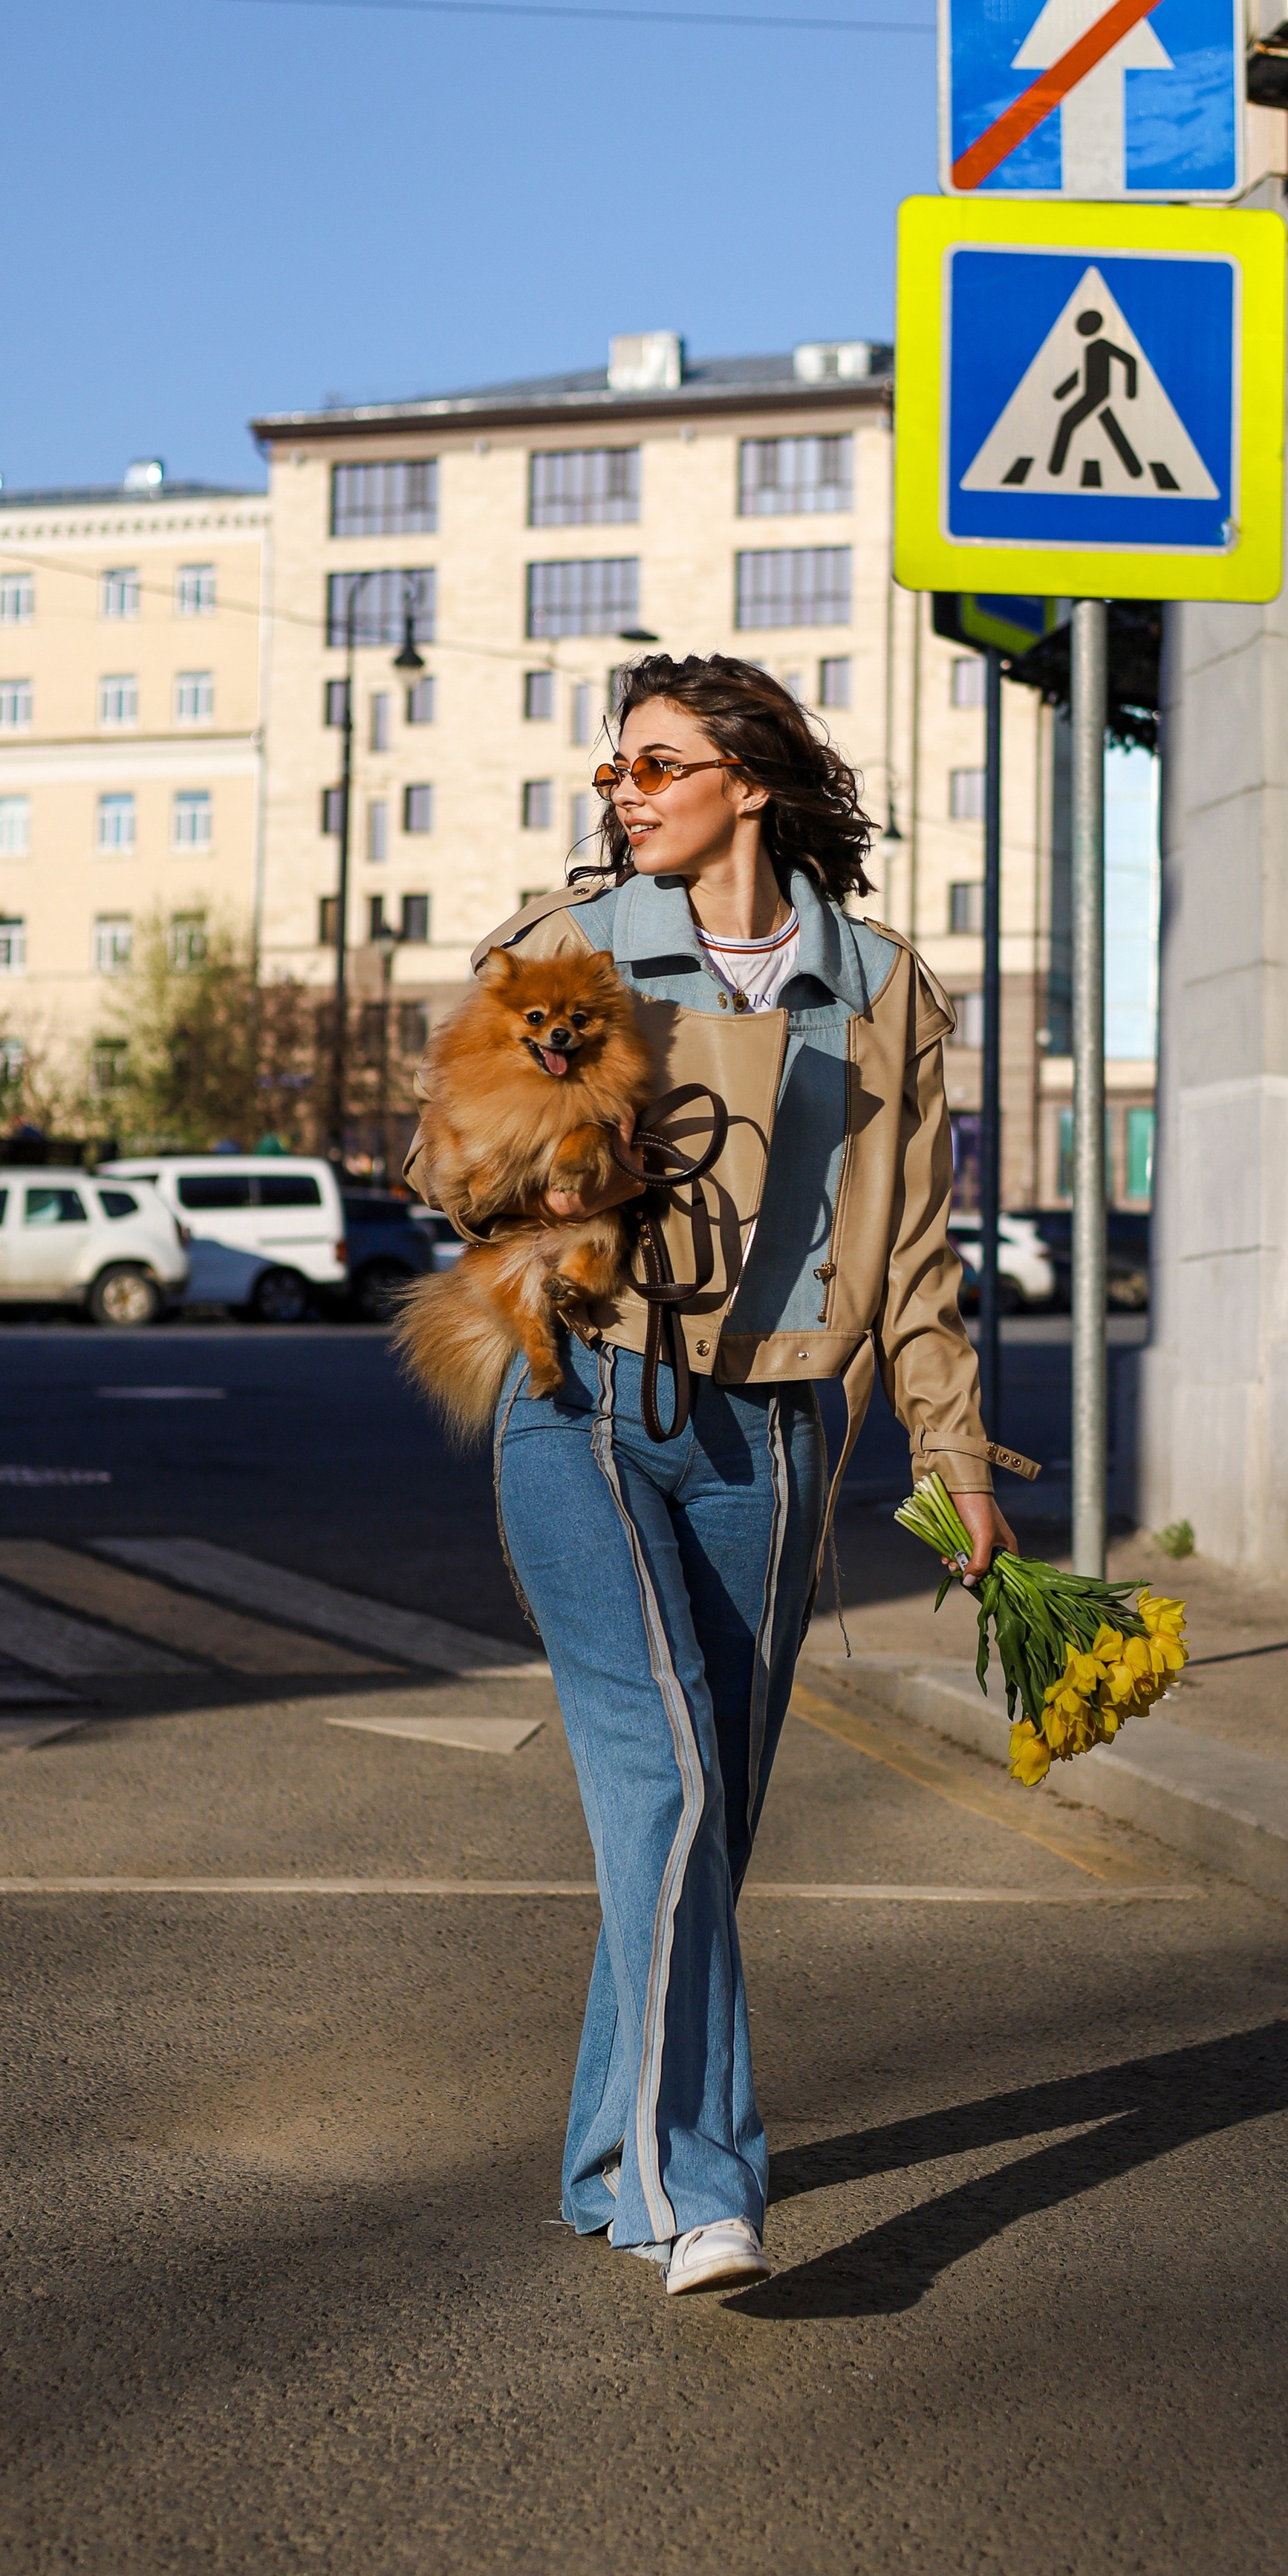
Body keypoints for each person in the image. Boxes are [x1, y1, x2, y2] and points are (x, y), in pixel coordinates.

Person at [403, 653, 1033, 2298]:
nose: (624, 792)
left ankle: (611, 2153)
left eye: (655, 766)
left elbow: (912, 1251)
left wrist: (952, 1451)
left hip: (776, 1435)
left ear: (745, 781)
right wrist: (544, 1145)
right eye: (615, 771)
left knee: (701, 1815)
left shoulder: (881, 985)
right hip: (589, 1400)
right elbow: (443, 1163)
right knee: (666, 1779)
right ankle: (706, 2185)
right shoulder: (573, 954)